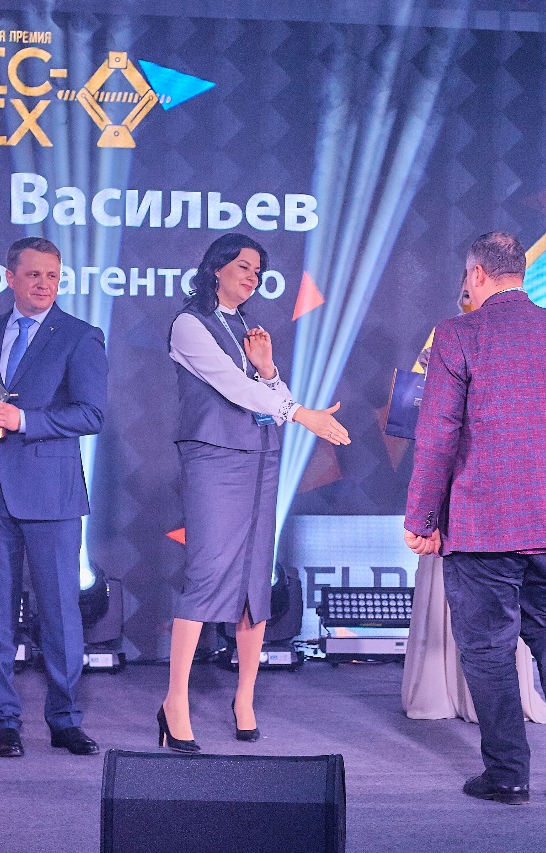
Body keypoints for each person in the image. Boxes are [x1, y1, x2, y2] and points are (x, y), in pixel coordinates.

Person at [405, 231, 546, 805]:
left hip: (486, 521)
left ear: (476, 274)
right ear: (521, 271)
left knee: (489, 647)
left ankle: (508, 774)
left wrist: (423, 517)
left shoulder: (458, 333)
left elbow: (438, 437)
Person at [161, 233, 349, 753]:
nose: (252, 277)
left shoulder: (246, 327)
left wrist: (269, 369)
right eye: (243, 266)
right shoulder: (189, 324)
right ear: (216, 268)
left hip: (261, 458)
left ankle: (244, 698)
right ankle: (175, 702)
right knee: (206, 573)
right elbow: (234, 388)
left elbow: (268, 393)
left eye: (258, 271)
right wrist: (300, 413)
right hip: (214, 458)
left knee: (254, 579)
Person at [0, 237, 107, 758]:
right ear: (10, 277)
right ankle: (4, 721)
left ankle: (65, 719)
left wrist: (23, 420)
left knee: (59, 613)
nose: (44, 284)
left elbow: (91, 414)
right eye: (34, 274)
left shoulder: (80, 336)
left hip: (51, 496)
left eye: (52, 276)